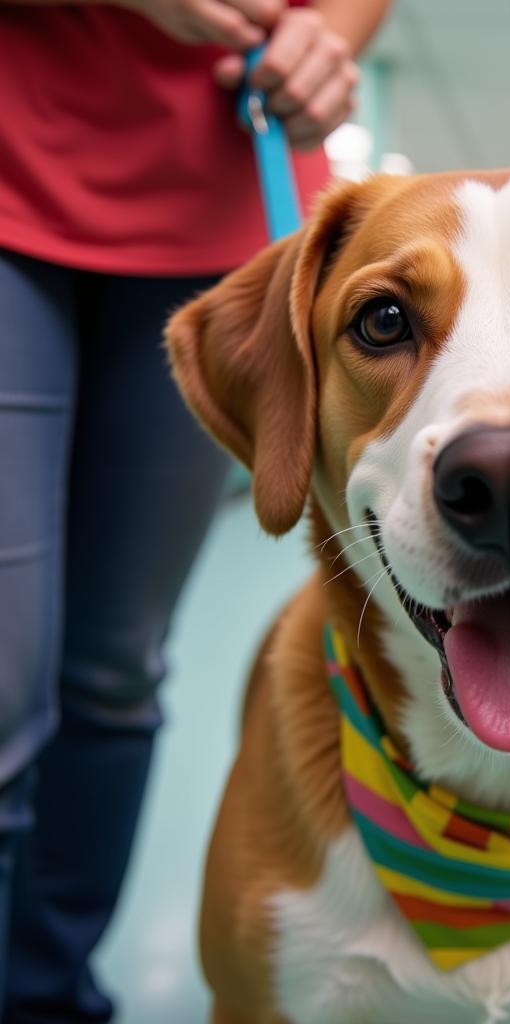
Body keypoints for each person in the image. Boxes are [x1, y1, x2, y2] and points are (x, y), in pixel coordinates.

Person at [0, 0, 390, 1016]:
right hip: (12, 164)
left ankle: (43, 991)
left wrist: (330, 38)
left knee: (115, 666)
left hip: (215, 201)